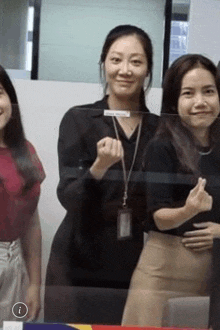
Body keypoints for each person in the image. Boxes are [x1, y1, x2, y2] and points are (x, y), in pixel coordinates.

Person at [44, 24, 158, 324]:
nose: (125, 70)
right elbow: (68, 196)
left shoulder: (159, 129)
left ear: (148, 70)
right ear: (103, 63)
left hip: (132, 257)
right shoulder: (79, 119)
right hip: (77, 256)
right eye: (116, 59)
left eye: (136, 61)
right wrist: (98, 167)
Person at [122, 54, 220, 327]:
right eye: (188, 93)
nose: (200, 102)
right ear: (174, 102)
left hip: (212, 276)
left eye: (209, 91)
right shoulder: (162, 146)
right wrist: (189, 210)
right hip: (163, 274)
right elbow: (158, 217)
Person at [0, 65, 45, 326]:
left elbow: (31, 222)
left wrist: (34, 284)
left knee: (14, 326)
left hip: (16, 267)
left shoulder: (25, 151)